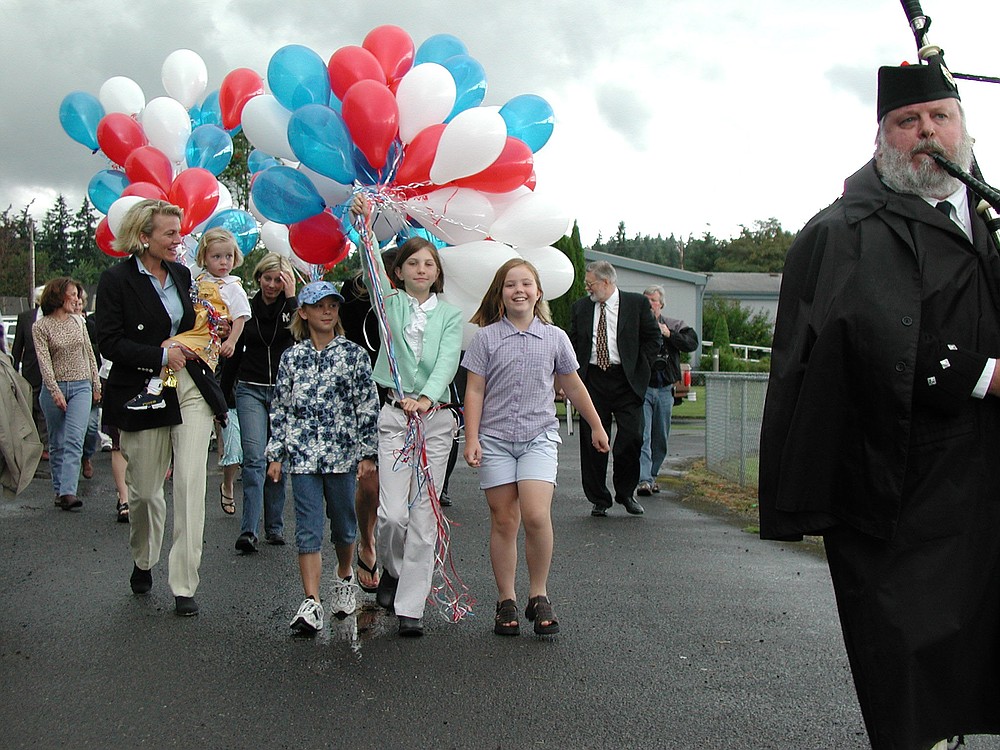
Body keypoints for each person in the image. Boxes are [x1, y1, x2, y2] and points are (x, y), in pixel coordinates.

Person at [759, 59, 1000, 750]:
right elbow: (862, 339)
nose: (926, 131)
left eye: (939, 117)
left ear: (964, 128)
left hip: (989, 474)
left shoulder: (988, 220)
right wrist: (984, 373)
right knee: (907, 640)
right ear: (883, 138)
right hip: (898, 478)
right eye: (907, 121)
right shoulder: (848, 230)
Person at [463, 259, 610, 637]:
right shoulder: (485, 338)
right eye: (510, 285)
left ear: (538, 292)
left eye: (526, 284)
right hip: (495, 440)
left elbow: (574, 385)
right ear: (501, 293)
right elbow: (475, 390)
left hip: (538, 437)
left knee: (535, 515)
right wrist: (473, 437)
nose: (519, 290)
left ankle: (538, 594)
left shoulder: (555, 337)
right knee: (504, 519)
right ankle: (506, 600)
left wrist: (595, 425)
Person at [96, 199, 227, 617]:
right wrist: (157, 354)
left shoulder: (183, 274)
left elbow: (191, 326)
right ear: (143, 236)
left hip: (189, 385)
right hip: (143, 389)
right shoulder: (115, 280)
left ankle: (184, 584)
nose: (178, 240)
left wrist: (211, 328)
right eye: (170, 233)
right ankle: (143, 557)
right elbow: (109, 342)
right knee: (147, 492)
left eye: (179, 231)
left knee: (191, 483)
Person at [355, 197, 463, 638]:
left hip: (434, 419)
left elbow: (447, 362)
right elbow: (370, 270)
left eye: (429, 263)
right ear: (399, 271)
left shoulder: (451, 315)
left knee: (424, 514)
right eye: (412, 263)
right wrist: (363, 226)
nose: (421, 269)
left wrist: (428, 397)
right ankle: (393, 568)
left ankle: (411, 606)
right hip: (395, 418)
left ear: (438, 272)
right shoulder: (391, 305)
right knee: (393, 515)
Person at [265, 281, 378, 634]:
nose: (327, 311)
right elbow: (281, 407)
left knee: (345, 525)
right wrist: (276, 454)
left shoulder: (353, 355)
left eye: (333, 305)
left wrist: (367, 452)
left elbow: (366, 405)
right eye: (319, 305)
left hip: (342, 455)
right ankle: (311, 601)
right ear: (304, 312)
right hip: (302, 457)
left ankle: (344, 575)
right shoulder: (292, 358)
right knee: (307, 529)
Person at [568, 261, 660, 517]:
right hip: (593, 380)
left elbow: (653, 338)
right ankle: (599, 498)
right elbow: (574, 343)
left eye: (591, 283)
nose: (587, 288)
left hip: (627, 381)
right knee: (593, 441)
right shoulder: (582, 308)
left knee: (631, 437)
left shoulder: (636, 304)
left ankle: (625, 492)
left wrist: (642, 367)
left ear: (607, 282)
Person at [221, 252, 297, 553]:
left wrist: (292, 298)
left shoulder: (292, 309)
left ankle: (274, 526)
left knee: (277, 459)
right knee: (253, 459)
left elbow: (301, 337)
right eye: (267, 278)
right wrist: (221, 397)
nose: (272, 285)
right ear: (258, 278)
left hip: (282, 392)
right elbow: (233, 351)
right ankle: (248, 530)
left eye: (279, 280)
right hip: (250, 388)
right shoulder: (246, 308)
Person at [32, 277, 101, 511]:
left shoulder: (79, 322)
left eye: (77, 294)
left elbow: (89, 353)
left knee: (74, 437)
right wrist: (53, 391)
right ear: (58, 297)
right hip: (55, 388)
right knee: (57, 441)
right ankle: (59, 489)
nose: (77, 298)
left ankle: (69, 492)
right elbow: (44, 362)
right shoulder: (41, 327)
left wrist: (96, 383)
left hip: (81, 386)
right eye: (72, 294)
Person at [636, 285, 699, 496]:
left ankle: (652, 475)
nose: (649, 303)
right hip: (644, 388)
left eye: (653, 300)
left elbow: (692, 343)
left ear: (661, 304)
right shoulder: (636, 325)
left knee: (660, 436)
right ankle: (643, 479)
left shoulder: (674, 324)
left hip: (665, 388)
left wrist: (669, 334)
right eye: (645, 299)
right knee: (642, 436)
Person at [12, 286, 48, 459]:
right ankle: (33, 446)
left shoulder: (55, 317)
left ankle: (45, 446)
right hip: (30, 372)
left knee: (45, 409)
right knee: (30, 408)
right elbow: (18, 347)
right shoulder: (25, 318)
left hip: (51, 373)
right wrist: (13, 371)